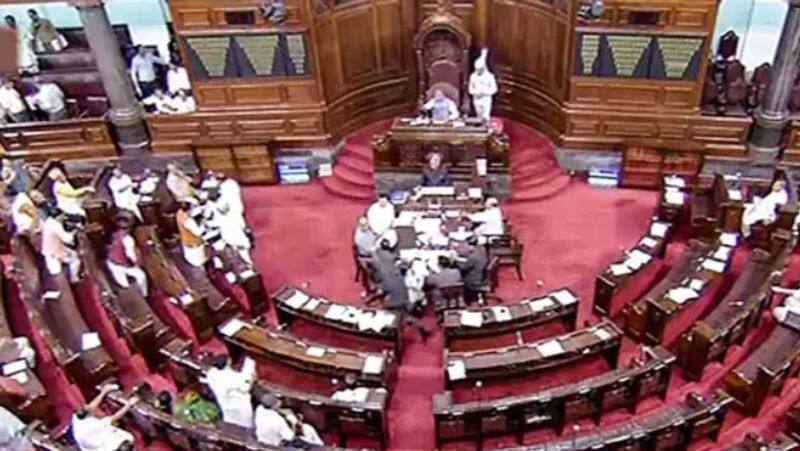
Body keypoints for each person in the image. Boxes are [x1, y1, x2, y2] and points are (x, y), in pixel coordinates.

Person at [71, 384, 138, 451]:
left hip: (92, 442)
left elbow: (90, 407)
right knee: (127, 444)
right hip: (103, 446)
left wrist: (104, 392)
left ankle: (105, 390)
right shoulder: (95, 425)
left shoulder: (77, 418)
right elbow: (115, 417)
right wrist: (129, 404)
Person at [201, 354, 255, 429]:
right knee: (244, 428)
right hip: (240, 410)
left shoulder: (212, 375)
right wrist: (250, 363)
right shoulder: (232, 378)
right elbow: (246, 387)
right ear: (228, 362)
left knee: (230, 426)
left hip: (226, 407)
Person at [106, 215, 148, 296]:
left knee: (125, 285)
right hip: (122, 266)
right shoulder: (128, 239)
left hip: (111, 263)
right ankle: (144, 295)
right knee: (141, 276)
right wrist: (139, 263)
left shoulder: (114, 235)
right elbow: (131, 257)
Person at [41, 211, 81, 283]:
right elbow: (68, 238)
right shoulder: (55, 224)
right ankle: (74, 279)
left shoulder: (47, 222)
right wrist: (75, 231)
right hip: (57, 252)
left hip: (47, 251)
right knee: (76, 260)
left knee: (56, 274)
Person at [468, 48, 498, 122]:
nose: (478, 71)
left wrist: (484, 92)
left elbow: (494, 89)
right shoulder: (473, 76)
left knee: (485, 115)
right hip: (477, 98)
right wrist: (475, 92)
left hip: (486, 99)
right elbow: (470, 88)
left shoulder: (490, 76)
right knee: (479, 115)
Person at [457, 236, 489, 304]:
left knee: (456, 275)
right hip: (482, 274)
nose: (465, 248)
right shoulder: (481, 249)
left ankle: (466, 301)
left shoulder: (473, 257)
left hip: (474, 279)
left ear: (471, 246)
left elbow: (464, 268)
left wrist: (456, 262)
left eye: (466, 246)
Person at [176, 202, 208, 267]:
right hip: (194, 243)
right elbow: (199, 232)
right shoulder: (188, 221)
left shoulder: (179, 212)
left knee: (189, 256)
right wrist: (203, 223)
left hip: (186, 240)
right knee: (198, 260)